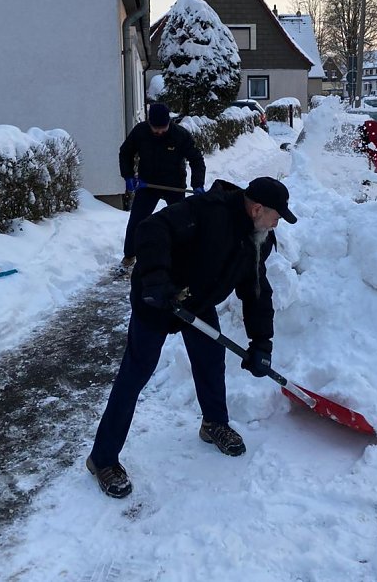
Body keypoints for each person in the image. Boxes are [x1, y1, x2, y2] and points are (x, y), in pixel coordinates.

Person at [86, 176, 297, 498]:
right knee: (136, 373)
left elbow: (255, 291)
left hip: (197, 302)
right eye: (276, 215)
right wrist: (156, 279)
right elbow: (151, 229)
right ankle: (102, 459)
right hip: (157, 299)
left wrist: (261, 342)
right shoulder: (207, 210)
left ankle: (213, 423)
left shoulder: (259, 239)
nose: (277, 222)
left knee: (211, 361)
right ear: (257, 209)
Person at [119, 102, 206, 269]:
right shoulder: (141, 132)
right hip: (147, 185)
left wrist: (198, 184)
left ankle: (183, 259)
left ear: (169, 123)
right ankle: (129, 255)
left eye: (163, 128)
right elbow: (126, 151)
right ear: (149, 123)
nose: (159, 132)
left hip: (174, 185)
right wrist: (128, 175)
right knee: (137, 221)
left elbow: (196, 160)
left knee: (180, 224)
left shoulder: (180, 135)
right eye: (155, 128)